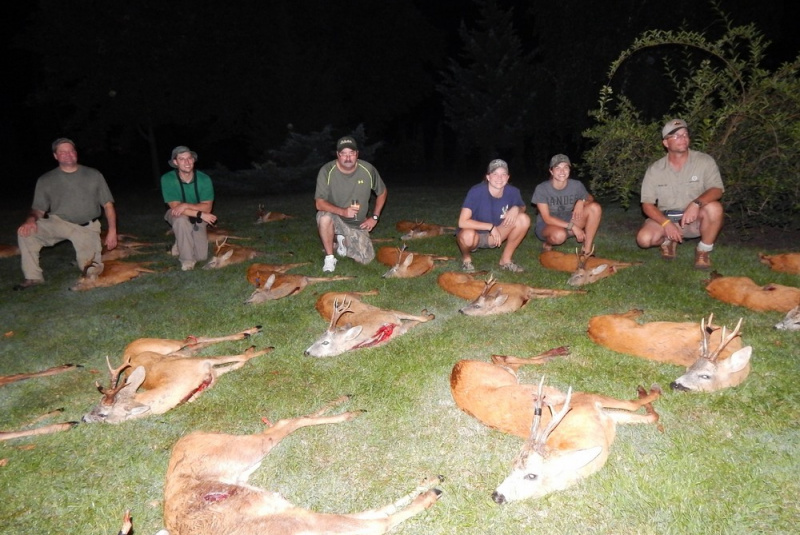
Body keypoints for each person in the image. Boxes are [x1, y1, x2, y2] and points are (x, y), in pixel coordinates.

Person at [15, 138, 118, 290]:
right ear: (55, 156)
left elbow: (108, 205)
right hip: (59, 223)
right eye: (62, 152)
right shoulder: (46, 180)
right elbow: (38, 209)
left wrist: (112, 231)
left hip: (86, 226)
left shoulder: (93, 175)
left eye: (71, 151)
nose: (67, 155)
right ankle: (33, 277)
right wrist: (30, 220)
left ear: (76, 153)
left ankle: (88, 266)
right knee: (26, 232)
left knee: (91, 272)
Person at [636, 119, 724, 270]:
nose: (682, 138)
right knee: (644, 240)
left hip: (693, 221)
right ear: (665, 143)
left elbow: (717, 190)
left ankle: (703, 251)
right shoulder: (655, 169)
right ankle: (668, 241)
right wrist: (666, 223)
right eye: (676, 136)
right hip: (667, 219)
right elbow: (647, 205)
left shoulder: (704, 161)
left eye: (685, 134)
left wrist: (696, 203)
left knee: (715, 208)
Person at [314, 136, 387, 272]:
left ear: (357, 154)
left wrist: (375, 217)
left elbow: (382, 192)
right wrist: (343, 212)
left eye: (351, 154)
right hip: (335, 216)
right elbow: (319, 203)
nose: (348, 158)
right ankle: (330, 258)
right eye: (344, 154)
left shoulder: (368, 169)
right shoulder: (327, 171)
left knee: (366, 258)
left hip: (357, 223)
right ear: (338, 155)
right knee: (324, 217)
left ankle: (342, 242)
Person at [456, 159, 531, 273]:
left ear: (508, 177)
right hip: (474, 235)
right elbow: (462, 222)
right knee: (467, 236)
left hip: (496, 236)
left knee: (523, 219)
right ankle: (466, 260)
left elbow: (522, 207)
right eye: (495, 174)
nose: (499, 178)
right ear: (488, 177)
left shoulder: (513, 191)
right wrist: (490, 227)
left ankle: (505, 260)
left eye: (503, 174)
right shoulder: (476, 191)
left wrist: (516, 209)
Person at [160, 146, 217, 271]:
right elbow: (175, 208)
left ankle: (180, 241)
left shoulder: (204, 179)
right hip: (177, 214)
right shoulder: (167, 179)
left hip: (197, 216)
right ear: (175, 162)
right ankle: (187, 261)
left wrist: (186, 205)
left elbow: (207, 207)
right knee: (181, 220)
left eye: (189, 158)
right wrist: (200, 214)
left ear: (193, 160)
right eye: (182, 159)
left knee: (201, 257)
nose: (187, 162)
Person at [532, 154, 602, 254]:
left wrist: (580, 202)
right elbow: (547, 218)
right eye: (558, 168)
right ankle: (548, 243)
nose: (562, 171)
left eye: (566, 167)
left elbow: (590, 198)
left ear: (569, 170)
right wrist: (572, 226)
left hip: (569, 219)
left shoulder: (576, 185)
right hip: (547, 225)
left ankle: (587, 249)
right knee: (559, 236)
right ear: (551, 171)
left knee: (595, 207)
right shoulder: (542, 189)